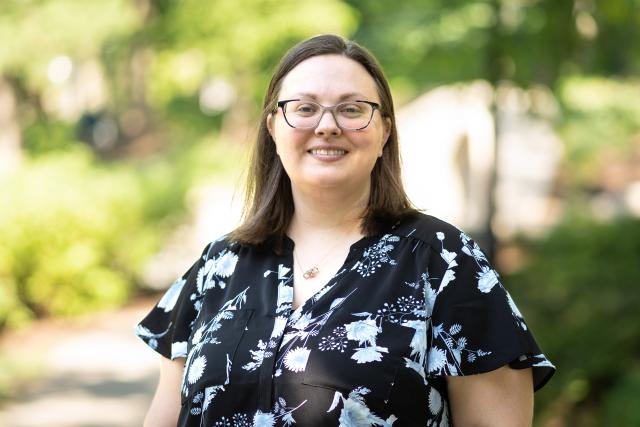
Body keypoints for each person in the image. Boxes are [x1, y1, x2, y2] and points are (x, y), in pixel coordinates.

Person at [135, 34, 555, 426]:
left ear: (384, 130)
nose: (327, 125)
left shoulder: (442, 261)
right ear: (273, 128)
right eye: (304, 107)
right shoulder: (218, 265)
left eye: (352, 109)